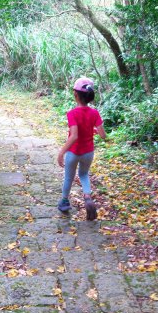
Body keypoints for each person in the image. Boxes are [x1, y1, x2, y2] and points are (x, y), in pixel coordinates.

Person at [57, 77, 106, 220]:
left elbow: (74, 136)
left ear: (75, 94)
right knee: (84, 174)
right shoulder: (94, 113)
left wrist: (61, 152)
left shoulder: (72, 113)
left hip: (73, 153)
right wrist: (94, 131)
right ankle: (87, 197)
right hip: (88, 152)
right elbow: (103, 135)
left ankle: (65, 202)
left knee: (69, 177)